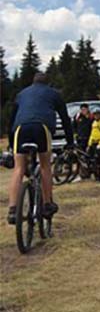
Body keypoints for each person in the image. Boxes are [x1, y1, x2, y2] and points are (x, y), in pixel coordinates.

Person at [6, 72, 74, 225]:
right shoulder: (54, 94)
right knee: (45, 166)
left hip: (20, 129)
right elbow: (65, 119)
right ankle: (47, 204)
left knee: (19, 168)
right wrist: (70, 142)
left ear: (32, 83)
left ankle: (12, 209)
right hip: (41, 128)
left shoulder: (21, 94)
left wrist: (11, 144)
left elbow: (11, 121)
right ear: (47, 83)